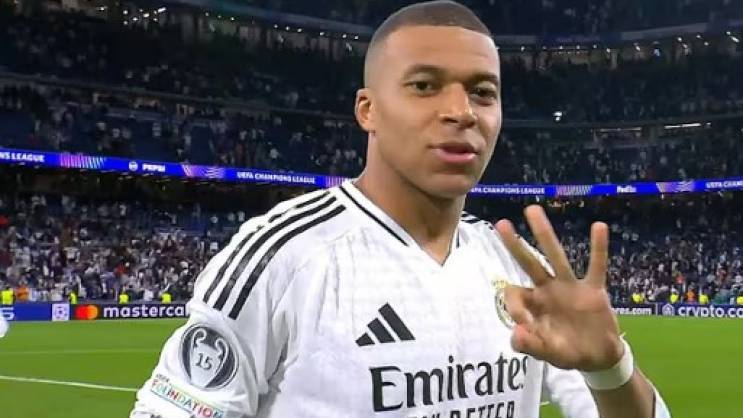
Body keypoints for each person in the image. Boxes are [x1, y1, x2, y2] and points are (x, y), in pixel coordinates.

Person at [130, 2, 671, 417]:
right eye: (424, 86)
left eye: (483, 92)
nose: (461, 111)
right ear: (368, 110)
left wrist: (610, 368)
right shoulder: (283, 257)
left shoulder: (517, 268)